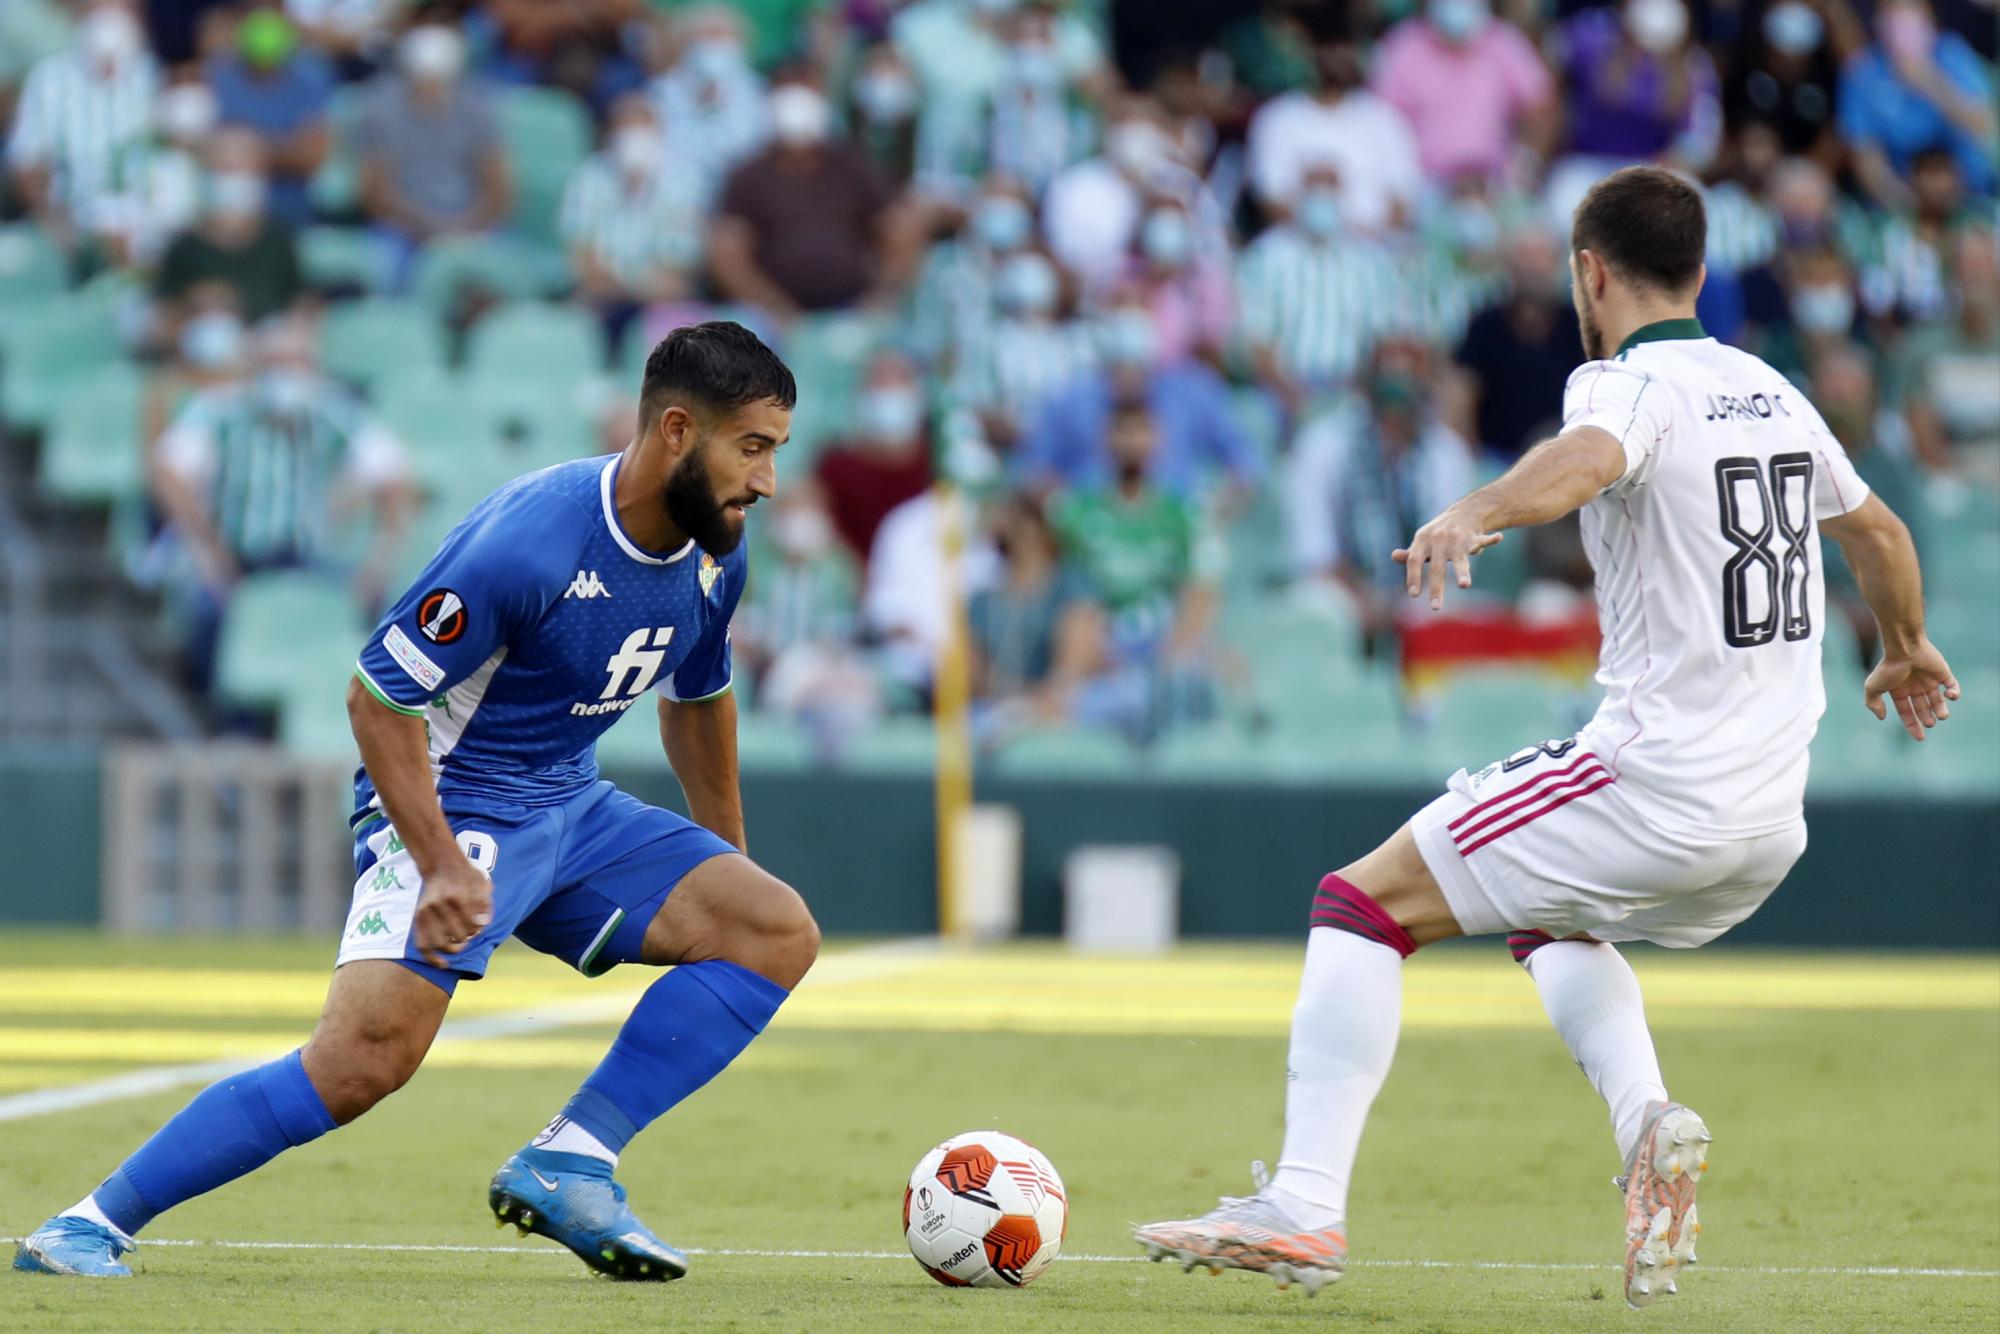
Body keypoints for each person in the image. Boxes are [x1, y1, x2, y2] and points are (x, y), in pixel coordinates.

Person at [1134, 166, 1959, 1308]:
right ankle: (1646, 1125)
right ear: (1701, 271)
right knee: (1543, 912)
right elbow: (1872, 525)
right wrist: (1905, 642)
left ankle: (1305, 1203)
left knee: (1359, 903)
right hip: (1768, 821)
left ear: (1589, 272)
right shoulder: (1767, 388)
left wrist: (1472, 508)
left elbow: (1590, 459)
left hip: (1652, 785)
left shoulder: (1621, 383)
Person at [15, 322, 821, 1283]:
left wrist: (725, 857)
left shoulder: (715, 552)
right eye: (755, 449)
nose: (766, 482)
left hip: (569, 799)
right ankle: (87, 1225)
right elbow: (378, 699)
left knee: (772, 929)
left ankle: (571, 1158)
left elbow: (698, 701)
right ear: (680, 431)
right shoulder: (528, 542)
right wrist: (439, 860)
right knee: (361, 1063)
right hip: (455, 803)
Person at [149, 314, 411, 690]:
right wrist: (205, 548)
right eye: (279, 361)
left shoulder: (329, 411)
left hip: (305, 558)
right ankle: (218, 719)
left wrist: (379, 561)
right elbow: (168, 471)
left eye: (299, 361)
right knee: (208, 613)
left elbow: (394, 472)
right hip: (237, 560)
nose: (289, 373)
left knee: (382, 611)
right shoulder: (220, 410)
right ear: (257, 365)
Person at [1285, 336, 1476, 646]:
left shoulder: (1446, 453)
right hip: (1345, 590)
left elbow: (1449, 560)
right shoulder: (1323, 444)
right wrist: (1364, 600)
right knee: (1316, 606)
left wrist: (1398, 605)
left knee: (1446, 608)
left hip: (1415, 593)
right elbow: (1315, 553)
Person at [708, 74, 921, 321]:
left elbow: (898, 226)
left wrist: (879, 299)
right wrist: (774, 309)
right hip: (770, 313)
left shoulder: (849, 166)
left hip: (852, 307)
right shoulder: (749, 174)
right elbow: (726, 247)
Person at [1018, 290, 1260, 501]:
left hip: (1172, 527)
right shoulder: (1072, 398)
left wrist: (1212, 516)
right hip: (1093, 530)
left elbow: (1244, 463)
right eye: (1121, 368)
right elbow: (1032, 472)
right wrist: (1068, 513)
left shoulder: (1192, 392)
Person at [1234, 165, 1404, 420]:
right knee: (1251, 416)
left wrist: (1355, 394)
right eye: (1314, 191)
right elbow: (1256, 342)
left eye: (1329, 191)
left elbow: (1383, 340)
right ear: (1299, 196)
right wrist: (1293, 397)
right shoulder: (1265, 258)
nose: (1321, 200)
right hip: (1281, 389)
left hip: (1352, 390)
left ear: (1341, 198)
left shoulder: (1371, 263)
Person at [356, 20, 512, 292]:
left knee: (502, 275)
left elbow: (498, 186)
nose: (430, 87)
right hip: (404, 227)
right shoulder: (380, 107)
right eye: (422, 78)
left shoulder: (479, 107)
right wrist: (428, 229)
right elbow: (377, 192)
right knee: (384, 272)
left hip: (471, 223)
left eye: (438, 79)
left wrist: (466, 227)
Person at [5, 0, 159, 258]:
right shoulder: (49, 78)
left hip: (145, 223)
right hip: (75, 222)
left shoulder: (148, 71)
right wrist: (55, 226)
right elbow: (26, 162)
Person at [560, 91, 705, 350]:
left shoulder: (684, 182)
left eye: (643, 129)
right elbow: (583, 262)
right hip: (602, 299)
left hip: (658, 303)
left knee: (674, 331)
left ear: (659, 133)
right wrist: (632, 286)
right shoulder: (588, 176)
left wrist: (630, 287)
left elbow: (676, 274)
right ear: (610, 136)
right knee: (574, 324)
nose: (635, 139)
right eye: (626, 130)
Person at [1245, 29, 1423, 235]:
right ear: (1307, 53)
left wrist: (1361, 240)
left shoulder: (1385, 120)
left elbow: (1403, 203)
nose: (1337, 58)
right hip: (1296, 250)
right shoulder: (1276, 118)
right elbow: (1270, 203)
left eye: (1344, 48)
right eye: (1328, 48)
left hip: (1375, 249)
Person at [1370, 0, 1557, 188]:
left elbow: (1540, 107)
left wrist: (1526, 161)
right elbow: (1377, 120)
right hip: (1424, 186)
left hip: (1494, 184)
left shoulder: (1503, 40)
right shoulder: (1403, 45)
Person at [1838, 0, 1996, 204]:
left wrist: (1928, 82)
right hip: (1901, 199)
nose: (1901, 25)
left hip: (1969, 194)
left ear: (1929, 19)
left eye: (1910, 14)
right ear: (1878, 23)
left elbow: (1983, 127)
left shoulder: (1952, 54)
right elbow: (1865, 158)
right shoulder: (1863, 71)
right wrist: (1908, 206)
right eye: (1892, 16)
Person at [153, 129, 305, 332]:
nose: (233, 179)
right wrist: (192, 311)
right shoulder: (183, 247)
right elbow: (160, 328)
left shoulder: (280, 241)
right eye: (223, 169)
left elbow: (302, 311)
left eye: (241, 169)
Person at [1453, 226, 1584, 459]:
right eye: (1525, 256)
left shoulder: (1579, 325)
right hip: (1496, 461)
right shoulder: (1485, 325)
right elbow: (1462, 395)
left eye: (1540, 256)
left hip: (1564, 460)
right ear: (1510, 266)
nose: (1532, 267)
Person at [207, 4, 335, 227]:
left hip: (288, 213)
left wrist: (250, 150)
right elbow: (205, 148)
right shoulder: (219, 72)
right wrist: (282, 150)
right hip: (222, 212)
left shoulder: (311, 75)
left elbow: (313, 155)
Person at [814, 349, 934, 564]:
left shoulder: (936, 462)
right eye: (879, 383)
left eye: (899, 381)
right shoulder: (836, 466)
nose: (888, 392)